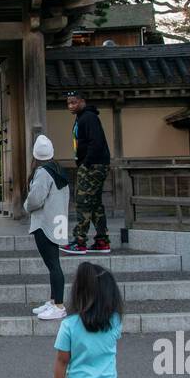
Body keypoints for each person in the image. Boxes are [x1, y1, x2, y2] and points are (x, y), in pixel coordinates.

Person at [25, 134, 70, 321]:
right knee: (54, 263)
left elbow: (35, 199)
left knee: (53, 265)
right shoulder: (58, 169)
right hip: (59, 220)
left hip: (45, 223)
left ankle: (59, 305)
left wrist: (26, 206)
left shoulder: (43, 172)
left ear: (35, 154)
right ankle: (53, 301)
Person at [61, 90, 111, 255]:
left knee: (82, 201)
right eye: (69, 103)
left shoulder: (88, 117)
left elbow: (95, 142)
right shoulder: (82, 117)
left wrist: (86, 163)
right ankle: (102, 241)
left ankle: (80, 241)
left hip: (92, 165)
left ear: (83, 101)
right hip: (96, 164)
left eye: (74, 102)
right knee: (95, 203)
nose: (71, 106)